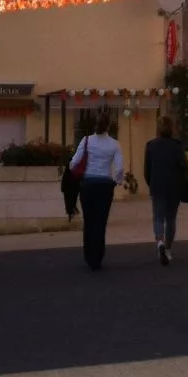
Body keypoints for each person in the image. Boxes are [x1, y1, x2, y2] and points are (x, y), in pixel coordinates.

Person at [70, 112, 124, 271]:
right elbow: (120, 168)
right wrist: (117, 181)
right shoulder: (114, 144)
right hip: (105, 185)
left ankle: (89, 256)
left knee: (89, 221)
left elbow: (75, 162)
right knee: (101, 222)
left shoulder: (86, 140)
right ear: (109, 126)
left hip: (88, 184)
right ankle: (98, 257)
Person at [143, 115, 188, 267]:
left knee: (158, 218)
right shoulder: (177, 145)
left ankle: (160, 242)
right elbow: (183, 167)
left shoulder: (150, 145)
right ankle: (168, 249)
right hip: (174, 186)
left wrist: (151, 183)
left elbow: (146, 170)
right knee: (171, 219)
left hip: (157, 186)